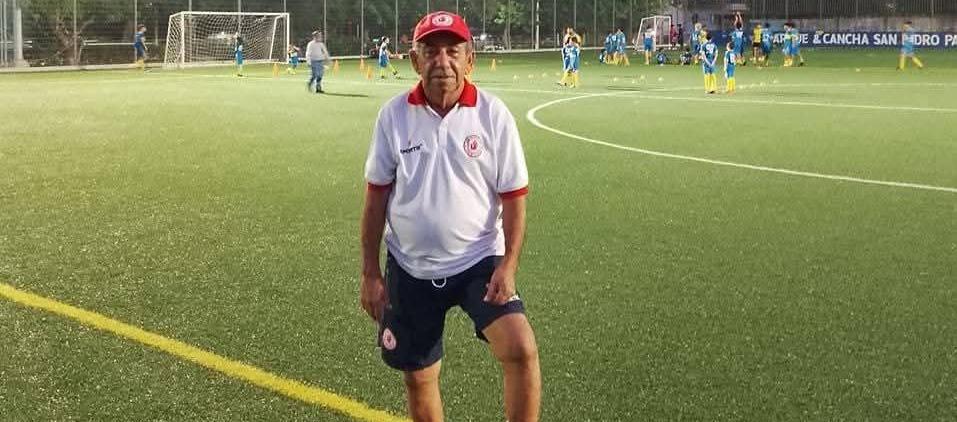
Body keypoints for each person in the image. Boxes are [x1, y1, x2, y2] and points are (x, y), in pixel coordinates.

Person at [360, 11, 540, 422]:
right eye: (431, 51)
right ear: (415, 60)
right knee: (420, 377)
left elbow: (513, 198)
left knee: (520, 347)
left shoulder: (493, 115)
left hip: (479, 260)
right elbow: (374, 201)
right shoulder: (393, 116)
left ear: (470, 59)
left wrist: (509, 265)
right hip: (411, 267)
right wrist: (371, 273)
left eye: (453, 51)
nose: (443, 61)